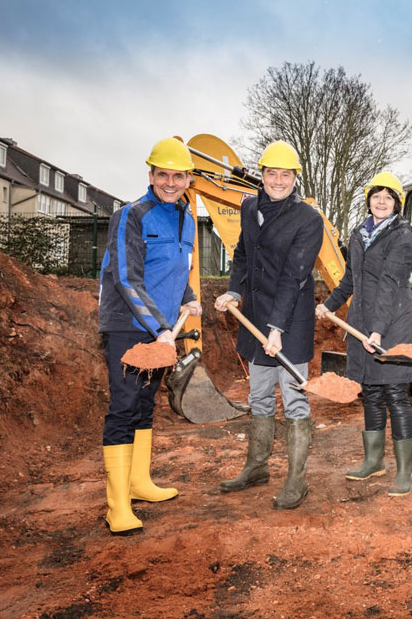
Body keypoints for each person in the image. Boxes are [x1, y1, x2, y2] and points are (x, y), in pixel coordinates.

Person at [97, 137, 201, 536]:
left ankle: (138, 483)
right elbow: (126, 277)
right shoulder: (131, 216)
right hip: (128, 325)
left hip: (161, 331)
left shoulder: (186, 219)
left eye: (178, 175)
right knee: (124, 405)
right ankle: (117, 506)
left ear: (188, 179)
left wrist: (188, 298)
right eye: (163, 175)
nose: (170, 182)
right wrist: (160, 329)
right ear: (151, 175)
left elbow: (175, 270)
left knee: (144, 402)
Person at [215, 140, 323, 510]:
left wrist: (277, 327)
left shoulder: (308, 219)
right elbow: (242, 254)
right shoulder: (248, 207)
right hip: (255, 317)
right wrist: (233, 291)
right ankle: (257, 467)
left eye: (286, 174)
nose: (278, 180)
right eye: (271, 173)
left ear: (296, 178)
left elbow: (295, 276)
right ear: (261, 175)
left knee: (293, 399)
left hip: (289, 322)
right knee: (259, 396)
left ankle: (297, 479)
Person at [315, 172, 412, 496]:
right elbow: (351, 279)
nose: (382, 200)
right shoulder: (360, 233)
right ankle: (374, 461)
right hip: (363, 324)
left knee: (396, 396)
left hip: (393, 325)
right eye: (377, 195)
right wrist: (329, 304)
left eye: (389, 196)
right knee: (372, 392)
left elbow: (388, 285)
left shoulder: (402, 237)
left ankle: (405, 473)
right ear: (369, 199)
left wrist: (378, 330)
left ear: (396, 203)